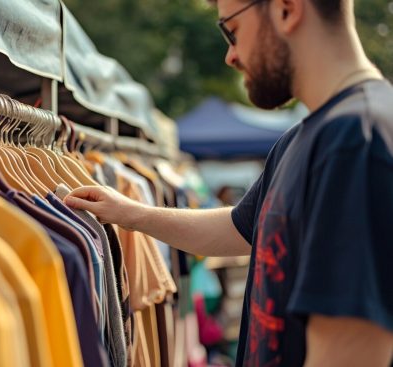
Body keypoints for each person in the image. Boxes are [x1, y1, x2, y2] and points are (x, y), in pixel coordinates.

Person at [64, 0, 393, 365]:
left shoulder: (356, 141)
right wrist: (132, 213)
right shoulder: (307, 138)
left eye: (232, 31)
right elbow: (240, 228)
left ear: (287, 9)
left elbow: (350, 352)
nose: (230, 56)